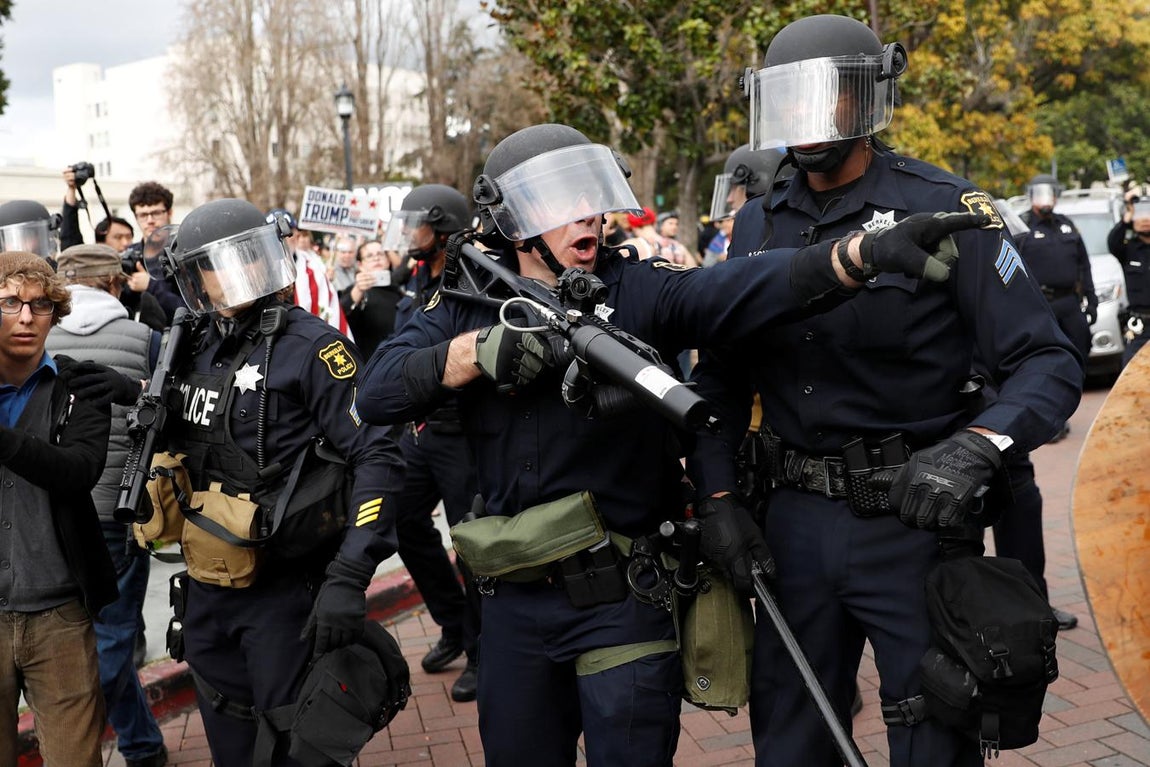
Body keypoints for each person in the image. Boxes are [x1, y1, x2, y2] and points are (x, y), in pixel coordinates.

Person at [355, 122, 987, 766]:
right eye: (562, 203)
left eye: (592, 200)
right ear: (513, 222)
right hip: (512, 606)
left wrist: (858, 256)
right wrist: (473, 353)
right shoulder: (463, 306)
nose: (588, 218)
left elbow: (737, 287)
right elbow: (375, 392)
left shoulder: (635, 287)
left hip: (622, 601)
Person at [694, 15, 1082, 767]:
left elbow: (1047, 360)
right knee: (790, 735)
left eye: (827, 97)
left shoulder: (942, 208)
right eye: (790, 99)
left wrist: (981, 445)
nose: (807, 119)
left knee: (936, 730)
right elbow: (720, 378)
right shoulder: (756, 225)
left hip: (917, 515)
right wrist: (717, 502)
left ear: (867, 98)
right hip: (793, 524)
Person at [147, 199, 405, 765]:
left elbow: (378, 456)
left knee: (294, 746)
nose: (237, 274)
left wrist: (350, 575)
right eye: (218, 264)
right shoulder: (190, 346)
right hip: (208, 586)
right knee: (230, 742)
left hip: (286, 589)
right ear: (195, 278)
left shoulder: (313, 347)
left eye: (248, 256)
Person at [44, 243, 168, 767]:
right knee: (113, 638)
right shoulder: (146, 338)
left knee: (81, 637)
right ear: (115, 284)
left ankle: (140, 745)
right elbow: (171, 414)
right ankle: (119, 746)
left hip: (51, 510)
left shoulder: (33, 336)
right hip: (120, 508)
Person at [0, 251, 118, 766]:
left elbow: (78, 471)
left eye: (40, 305)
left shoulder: (80, 385)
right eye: (10, 303)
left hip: (60, 617)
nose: (26, 317)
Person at [377, 183, 483, 701]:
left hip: (463, 434)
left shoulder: (473, 279)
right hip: (420, 430)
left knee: (472, 542)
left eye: (415, 223)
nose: (407, 233)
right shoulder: (416, 279)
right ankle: (454, 623)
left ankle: (483, 652)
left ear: (442, 230)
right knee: (402, 521)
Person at [1017, 173, 1094, 441]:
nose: (1045, 198)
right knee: (1047, 363)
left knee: (1078, 354)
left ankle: (1063, 408)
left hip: (1069, 303)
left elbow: (1084, 264)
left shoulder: (1067, 225)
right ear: (1031, 196)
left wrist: (1091, 300)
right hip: (1040, 305)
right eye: (1040, 193)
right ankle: (1052, 420)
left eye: (1049, 193)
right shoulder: (1022, 227)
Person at [269, 208, 353, 340]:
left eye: (285, 234)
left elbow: (328, 308)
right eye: (273, 235)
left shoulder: (314, 268)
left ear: (295, 236)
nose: (280, 240)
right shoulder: (261, 273)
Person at [122, 181, 185, 323]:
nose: (150, 220)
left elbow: (193, 310)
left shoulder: (183, 252)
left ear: (169, 212)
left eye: (156, 213)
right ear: (136, 217)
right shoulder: (129, 255)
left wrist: (150, 285)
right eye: (143, 215)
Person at [1108, 187, 1150, 366]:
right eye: (1140, 215)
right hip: (1140, 325)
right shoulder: (1128, 249)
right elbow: (1112, 242)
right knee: (1131, 368)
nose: (1145, 219)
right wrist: (1129, 209)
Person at [339, 239, 403, 356]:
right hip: (371, 359)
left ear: (388, 260)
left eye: (380, 254)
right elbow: (342, 313)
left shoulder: (398, 288)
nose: (376, 258)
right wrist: (358, 290)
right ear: (360, 265)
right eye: (369, 256)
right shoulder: (356, 290)